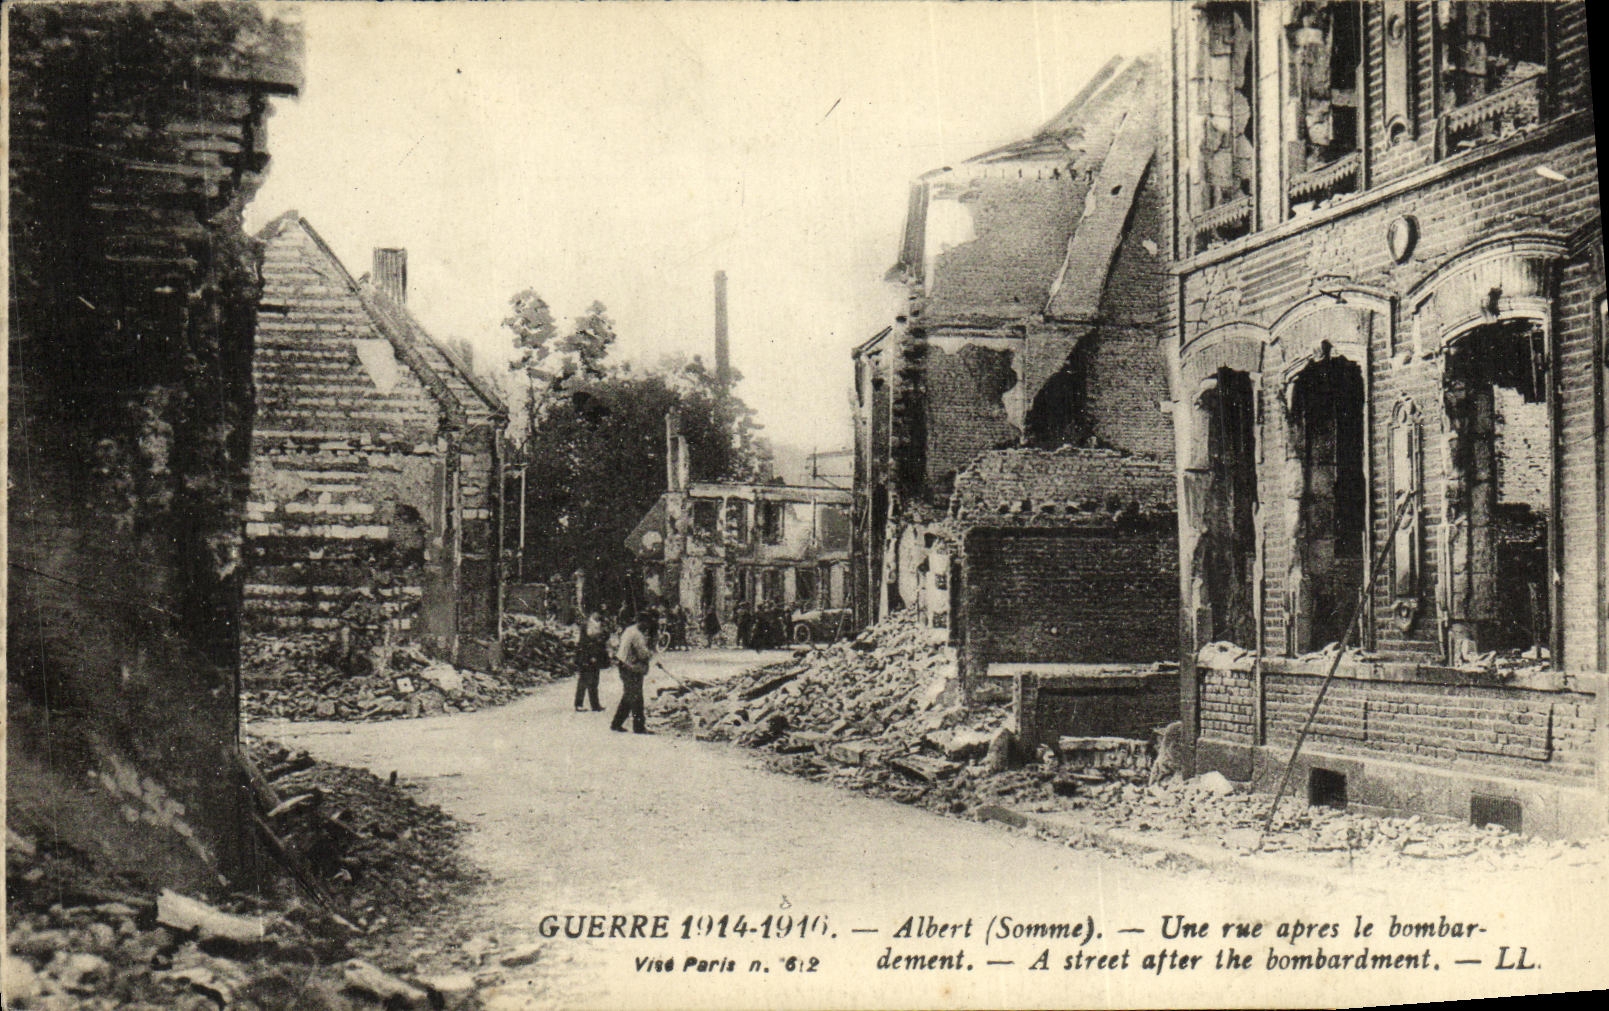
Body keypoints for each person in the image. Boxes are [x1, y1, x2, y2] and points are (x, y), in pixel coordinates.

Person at [610, 610, 657, 734]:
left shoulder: (629, 629)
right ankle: (639, 727)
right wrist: (650, 653)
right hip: (631, 667)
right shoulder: (637, 635)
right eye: (647, 623)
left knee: (629, 695)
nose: (648, 626)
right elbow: (643, 654)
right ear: (642, 622)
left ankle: (616, 723)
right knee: (636, 697)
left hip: (624, 665)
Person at [574, 611, 609, 712]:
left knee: (594, 681)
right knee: (584, 681)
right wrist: (590, 656)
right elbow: (586, 643)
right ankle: (579, 704)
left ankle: (595, 705)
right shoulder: (587, 626)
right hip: (587, 657)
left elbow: (603, 639)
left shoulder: (599, 625)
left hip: (595, 657)